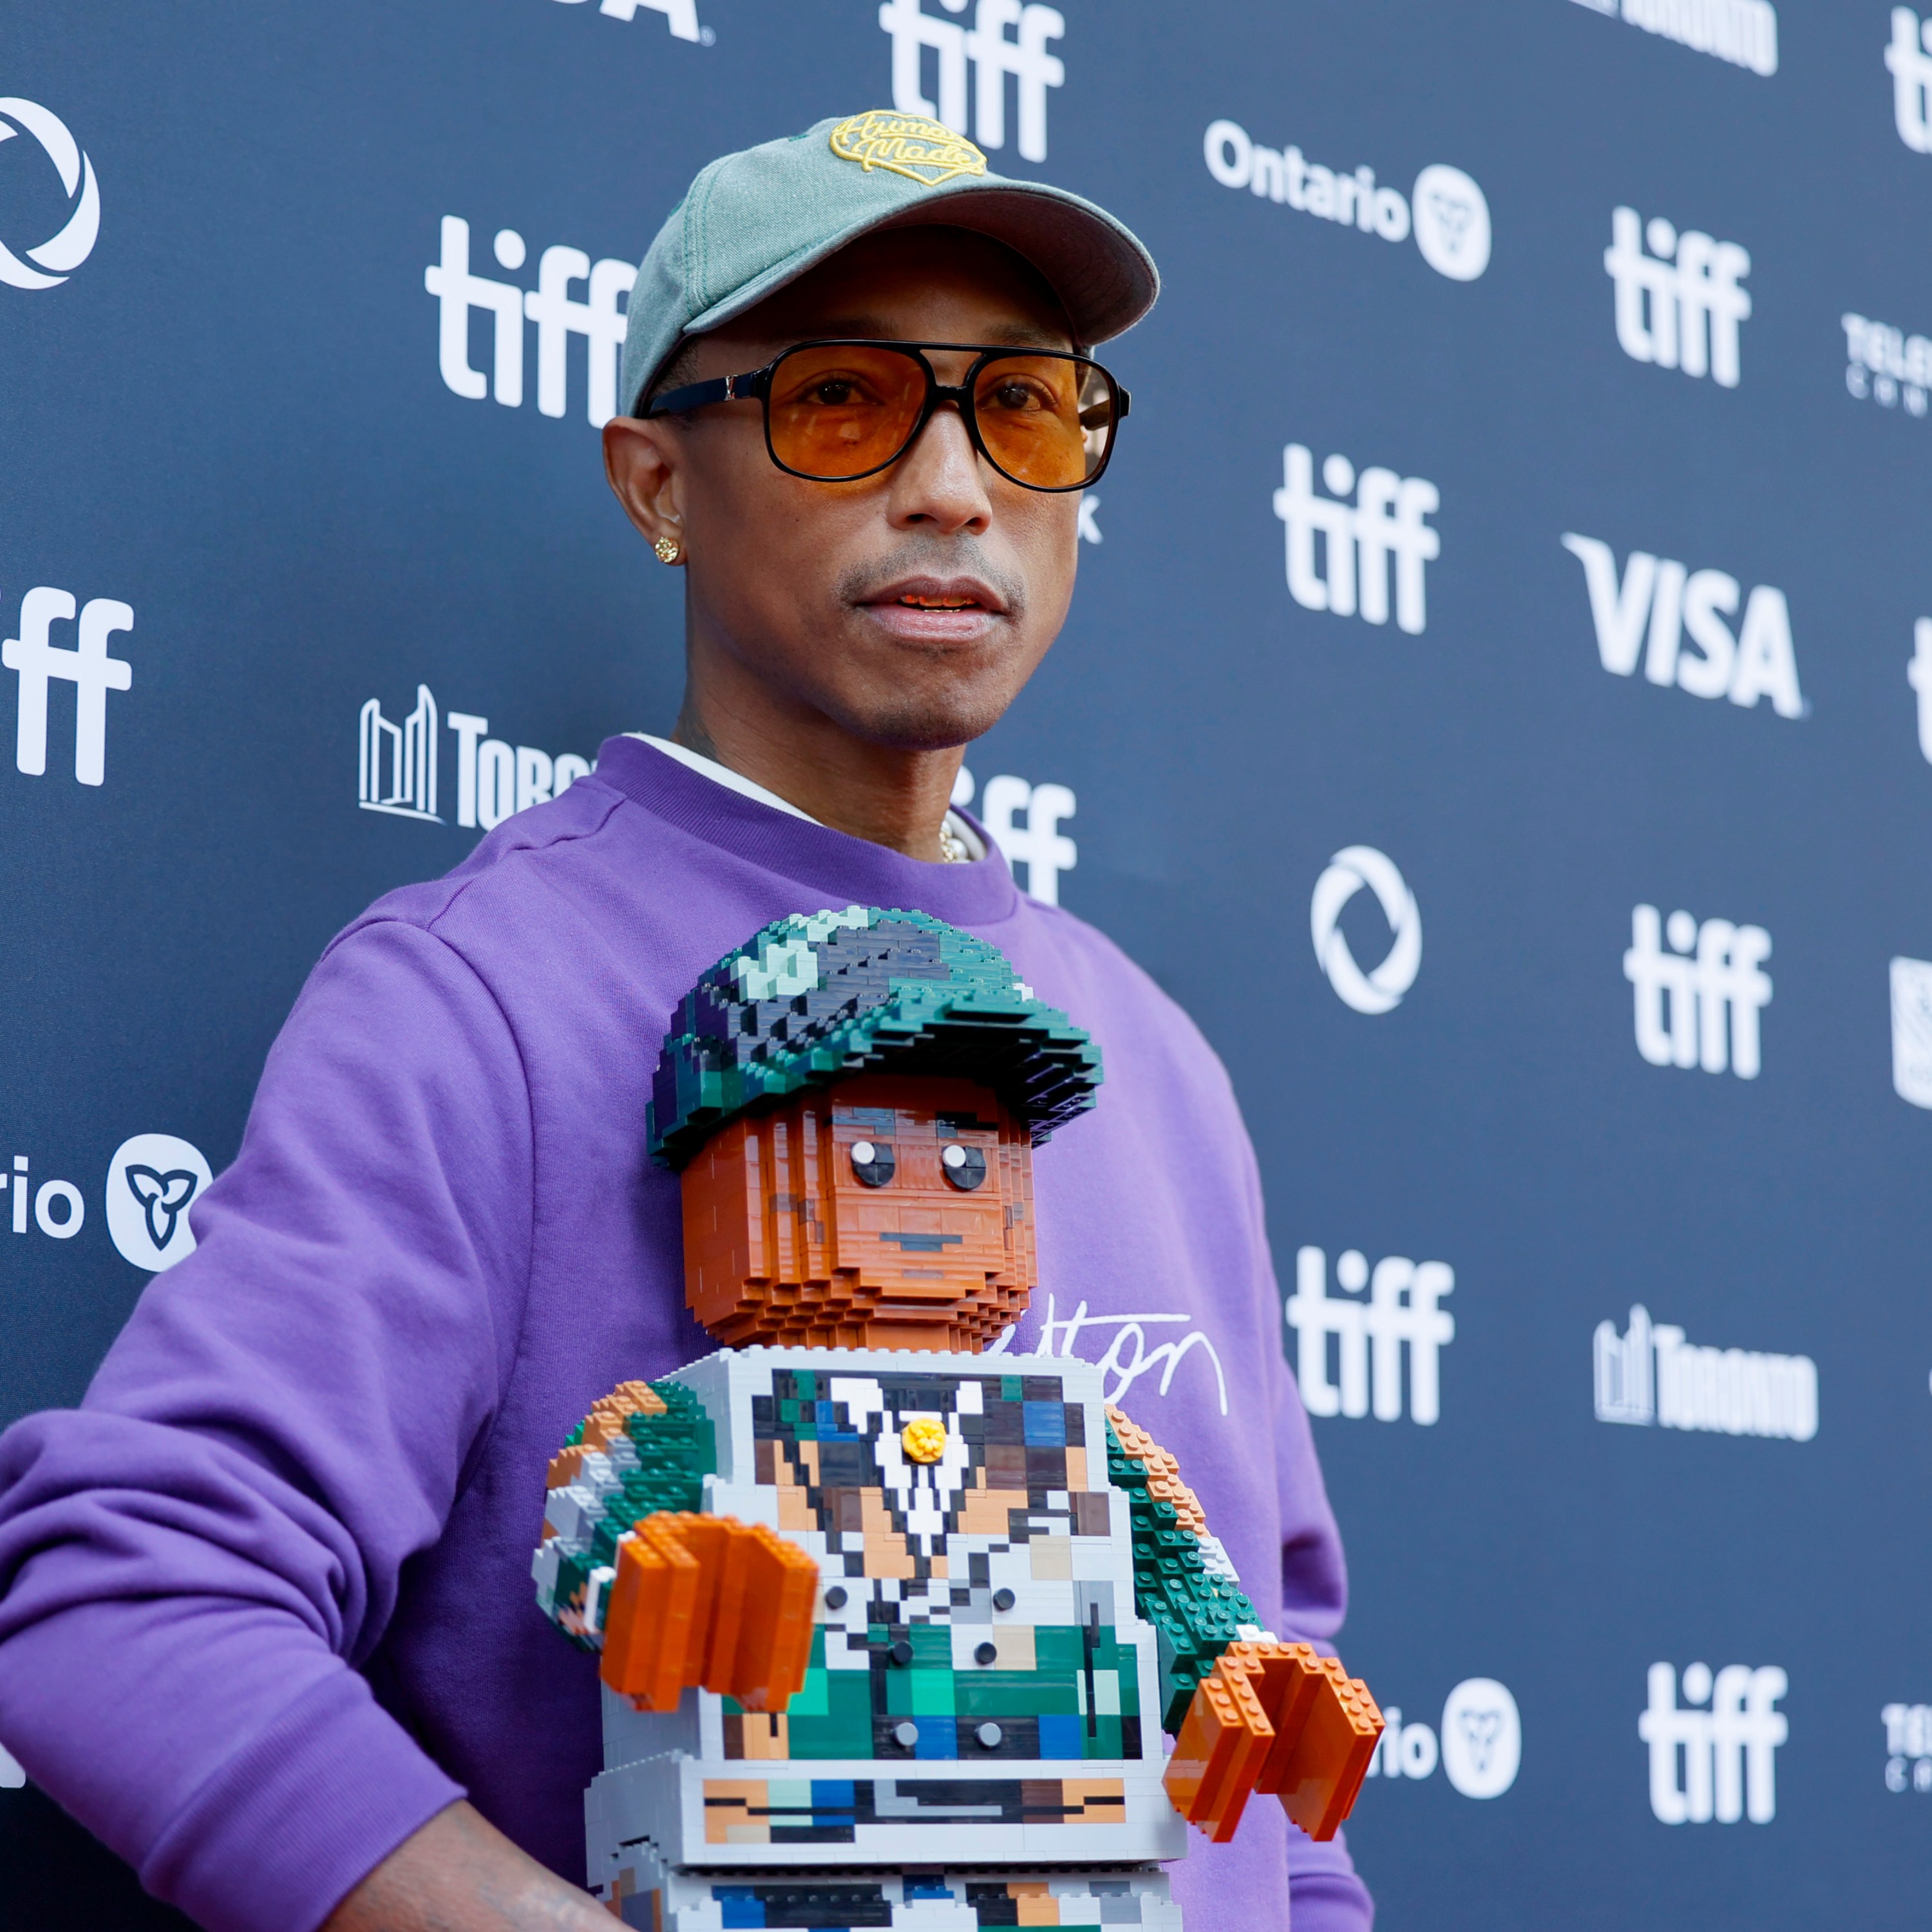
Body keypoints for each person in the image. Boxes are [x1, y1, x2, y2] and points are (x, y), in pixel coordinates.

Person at [0, 111, 1373, 1932]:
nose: (957, 491)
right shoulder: (476, 995)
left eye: (1027, 411)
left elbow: (1276, 1778)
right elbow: (125, 1601)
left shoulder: (1160, 1061)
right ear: (657, 485)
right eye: (842, 402)